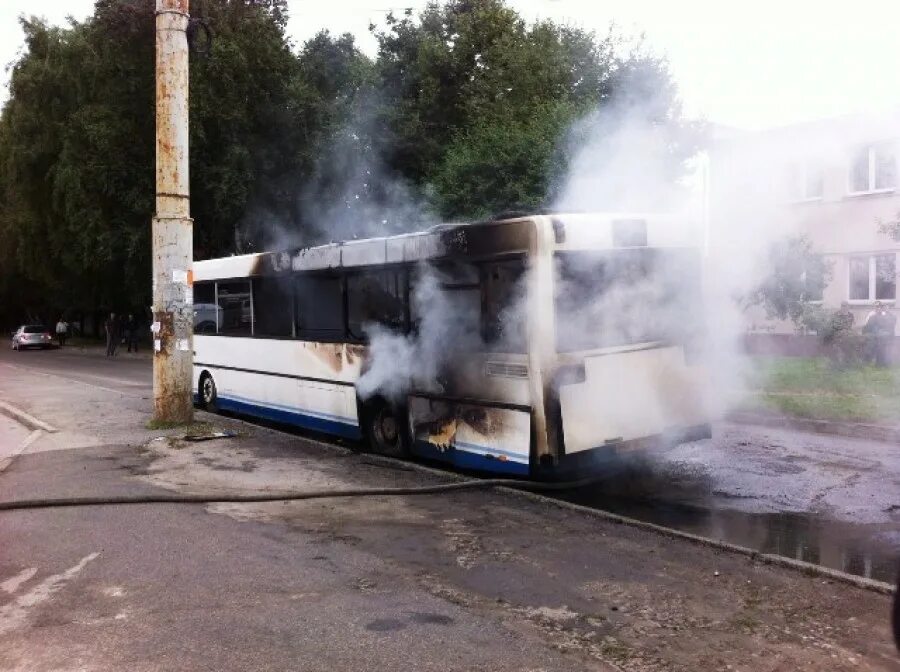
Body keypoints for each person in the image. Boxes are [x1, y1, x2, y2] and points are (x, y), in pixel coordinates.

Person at [863, 301, 896, 366]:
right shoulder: (871, 314)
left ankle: (881, 361)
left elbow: (890, 323)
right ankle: (869, 360)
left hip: (883, 334)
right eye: (877, 307)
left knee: (881, 341)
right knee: (871, 342)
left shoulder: (885, 314)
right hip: (873, 333)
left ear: (881, 308)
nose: (878, 308)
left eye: (880, 307)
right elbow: (867, 325)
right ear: (874, 307)